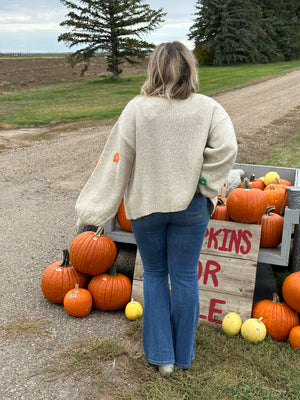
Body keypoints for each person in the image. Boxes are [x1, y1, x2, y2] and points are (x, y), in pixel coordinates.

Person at [75, 41, 237, 375]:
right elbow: (227, 148)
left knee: (154, 274)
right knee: (185, 276)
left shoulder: (136, 108)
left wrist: (94, 209)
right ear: (190, 70)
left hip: (146, 206)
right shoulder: (208, 108)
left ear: (154, 69)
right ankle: (182, 357)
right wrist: (203, 185)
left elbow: (115, 161)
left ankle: (162, 358)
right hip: (191, 207)